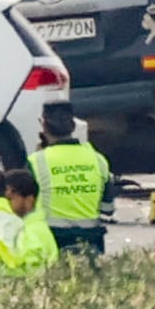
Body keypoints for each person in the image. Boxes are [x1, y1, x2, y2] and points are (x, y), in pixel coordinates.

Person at [33, 104, 113, 257]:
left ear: (43, 126)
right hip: (90, 242)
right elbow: (108, 209)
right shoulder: (98, 160)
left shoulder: (36, 161)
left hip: (51, 241)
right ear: (74, 126)